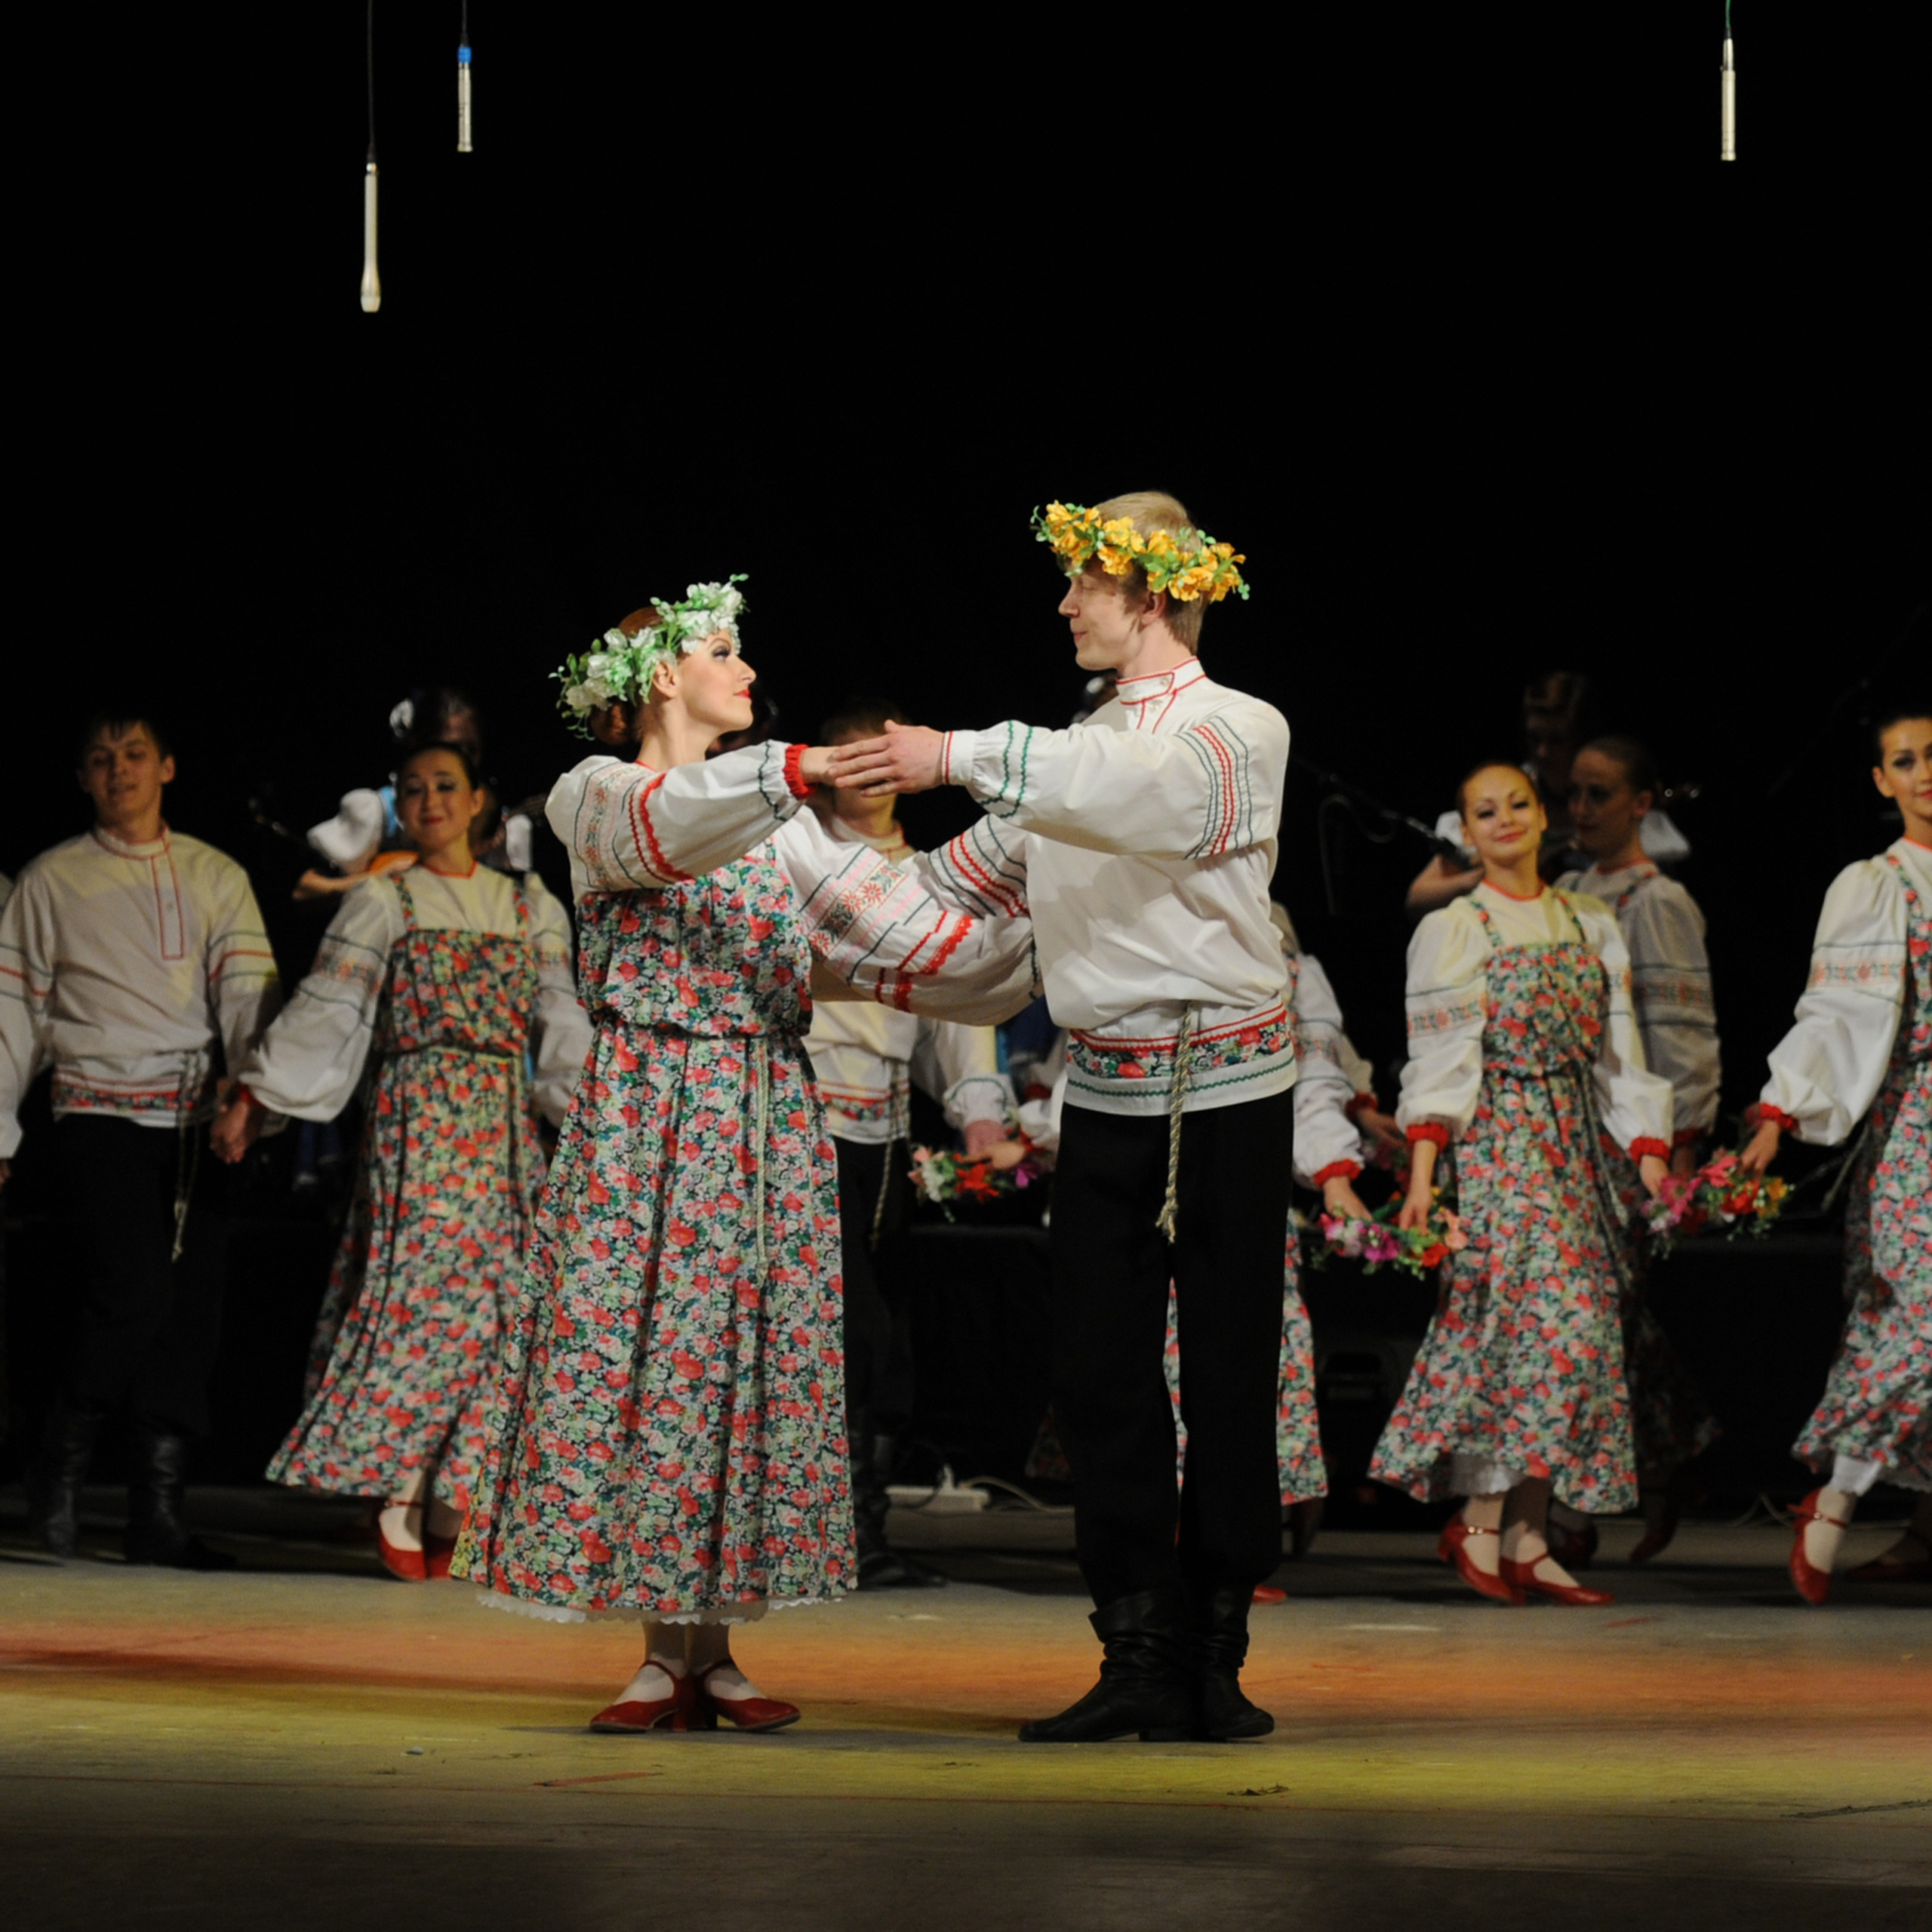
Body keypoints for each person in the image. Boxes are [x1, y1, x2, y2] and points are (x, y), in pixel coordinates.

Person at [451, 583, 1035, 1736]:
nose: (746, 669)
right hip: (645, 1111)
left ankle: (708, 1650)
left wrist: (1038, 837)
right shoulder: (596, 793)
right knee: (646, 1363)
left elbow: (919, 931)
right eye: (722, 650)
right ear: (662, 678)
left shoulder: (788, 832)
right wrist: (802, 772)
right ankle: (659, 1652)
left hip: (760, 1112)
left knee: (732, 1368)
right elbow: (668, 828)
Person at [831, 492, 1296, 1744]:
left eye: (1081, 580)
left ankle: (1216, 1648)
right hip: (1104, 1093)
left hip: (1228, 1093)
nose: (1063, 602)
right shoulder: (1064, 764)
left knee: (1232, 1371)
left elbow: (1138, 795)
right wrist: (786, 916)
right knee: (1097, 1374)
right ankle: (1137, 1642)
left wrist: (952, 753)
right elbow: (936, 895)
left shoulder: (1234, 732)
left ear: (1151, 592)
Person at [210, 741, 592, 1579]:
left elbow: (561, 1030)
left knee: (504, 1311)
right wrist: (256, 1095)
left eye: (444, 787)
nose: (428, 802)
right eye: (412, 790)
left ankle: (459, 1481)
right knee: (416, 1300)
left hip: (501, 1128)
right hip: (417, 1121)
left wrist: (588, 1125)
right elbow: (328, 1009)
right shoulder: (385, 898)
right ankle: (400, 1478)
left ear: (481, 800)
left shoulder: (531, 905)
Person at [1369, 760, 1672, 1608]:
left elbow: (1621, 1052)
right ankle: (1478, 1519)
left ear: (1544, 816)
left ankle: (1528, 1537)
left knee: (1576, 1336)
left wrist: (1647, 1153)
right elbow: (1436, 1061)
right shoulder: (1457, 927)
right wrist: (1425, 1179)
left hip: (1576, 1149)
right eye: (1483, 811)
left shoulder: (1588, 918)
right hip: (1499, 1145)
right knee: (1536, 1329)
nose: (1502, 820)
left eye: (1516, 804)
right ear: (1465, 833)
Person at [0, 711, 282, 1566]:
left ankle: (155, 1514)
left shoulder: (213, 872)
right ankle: (57, 1471)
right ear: (82, 779)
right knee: (131, 1294)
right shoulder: (50, 880)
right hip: (96, 1109)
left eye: (132, 754)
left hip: (197, 1120)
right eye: (99, 758)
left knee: (187, 1315)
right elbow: (14, 1011)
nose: (117, 769)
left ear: (166, 766)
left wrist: (249, 1093)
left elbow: (245, 992)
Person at [804, 695, 1017, 1589]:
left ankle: (862, 1530)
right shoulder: (797, 857)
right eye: (850, 759)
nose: (870, 775)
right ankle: (821, 1533)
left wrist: (979, 1119)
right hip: (798, 1114)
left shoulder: (930, 877)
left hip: (880, 1135)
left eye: (883, 759)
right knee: (820, 1324)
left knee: (876, 1333)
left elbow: (953, 1016)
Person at [1741, 703, 1932, 1600]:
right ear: (1880, 780)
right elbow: (1832, 1016)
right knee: (1916, 1318)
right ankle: (1838, 1497)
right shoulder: (1876, 884)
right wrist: (1781, 1109)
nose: (1923, 770)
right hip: (1915, 1127)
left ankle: (1919, 1527)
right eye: (1904, 759)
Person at [1554, 734, 1722, 1564]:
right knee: (1603, 1321)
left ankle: (1578, 1507)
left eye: (1598, 795)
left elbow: (1681, 1029)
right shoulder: (1570, 889)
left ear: (1639, 803)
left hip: (1636, 1141)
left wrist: (1681, 1147)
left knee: (1598, 1318)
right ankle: (1667, 1457)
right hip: (1566, 1135)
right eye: (1574, 795)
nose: (1580, 810)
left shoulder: (1656, 901)